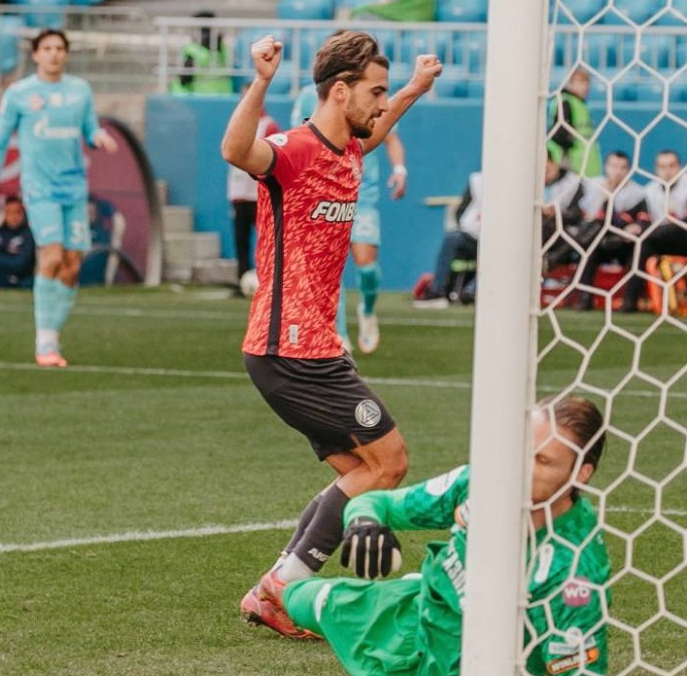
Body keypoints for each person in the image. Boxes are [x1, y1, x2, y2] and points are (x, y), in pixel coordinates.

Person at [220, 30, 441, 638]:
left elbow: (378, 126)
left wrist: (414, 89)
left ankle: (278, 587)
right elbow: (236, 150)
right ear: (341, 92)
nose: (382, 103)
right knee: (388, 462)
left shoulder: (350, 151)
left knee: (363, 470)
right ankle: (282, 588)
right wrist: (261, 79)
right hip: (288, 348)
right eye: (375, 91)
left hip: (311, 347)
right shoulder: (292, 150)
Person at [281, 395, 612, 676]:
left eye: (542, 460)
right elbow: (380, 503)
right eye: (522, 448)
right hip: (414, 618)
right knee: (295, 597)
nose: (520, 466)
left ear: (581, 473)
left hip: (472, 664)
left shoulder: (575, 571)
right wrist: (363, 522)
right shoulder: (481, 482)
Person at [0, 28, 118, 367]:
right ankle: (44, 342)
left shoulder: (79, 90)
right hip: (40, 188)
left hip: (74, 187)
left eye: (59, 48)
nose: (54, 54)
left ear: (66, 54)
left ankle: (52, 336)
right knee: (52, 256)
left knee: (72, 265)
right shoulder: (20, 94)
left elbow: (89, 129)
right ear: (36, 55)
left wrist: (98, 136)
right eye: (47, 48)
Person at [290, 79, 408, 353]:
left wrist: (400, 170)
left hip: (362, 194)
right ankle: (338, 334)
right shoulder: (308, 96)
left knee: (366, 266)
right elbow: (299, 138)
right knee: (331, 268)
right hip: (325, 194)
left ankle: (367, 309)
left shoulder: (368, 95)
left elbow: (390, 137)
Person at [620, 150, 687, 314]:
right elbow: (643, 220)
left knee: (669, 231)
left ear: (680, 167)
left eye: (671, 166)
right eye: (662, 166)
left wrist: (650, 231)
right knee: (641, 246)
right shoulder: (650, 190)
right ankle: (630, 300)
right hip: (659, 240)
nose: (667, 171)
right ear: (656, 169)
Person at [574, 151, 651, 311]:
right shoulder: (591, 186)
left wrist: (633, 227)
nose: (618, 171)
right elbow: (579, 214)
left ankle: (630, 301)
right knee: (591, 245)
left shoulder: (638, 193)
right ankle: (584, 298)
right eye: (614, 166)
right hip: (597, 242)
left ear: (629, 169)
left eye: (623, 167)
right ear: (606, 167)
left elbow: (642, 221)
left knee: (639, 249)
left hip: (623, 243)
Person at [228, 83, 281, 282]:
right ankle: (242, 279)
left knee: (266, 240)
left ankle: (268, 279)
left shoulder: (269, 125)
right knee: (240, 240)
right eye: (243, 96)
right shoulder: (237, 124)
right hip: (239, 194)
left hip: (258, 196)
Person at [412, 172, 482, 309]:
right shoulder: (477, 180)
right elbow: (461, 211)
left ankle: (471, 291)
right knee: (453, 239)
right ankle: (437, 291)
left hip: (497, 243)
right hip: (473, 238)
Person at [547, 68, 602, 177]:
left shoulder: (580, 104)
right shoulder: (565, 101)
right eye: (581, 82)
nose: (585, 87)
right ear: (571, 83)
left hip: (585, 165)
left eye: (587, 83)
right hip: (571, 166)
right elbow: (559, 134)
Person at [542, 146, 588, 271]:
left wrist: (555, 213)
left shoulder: (574, 183)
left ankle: (550, 261)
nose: (544, 174)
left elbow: (576, 213)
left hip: (566, 232)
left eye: (546, 169)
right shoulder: (530, 185)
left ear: (555, 164)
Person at [170, 10, 233, 96]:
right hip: (225, 95)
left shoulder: (192, 50)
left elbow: (184, 79)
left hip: (201, 96)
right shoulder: (224, 47)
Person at [0, 195, 36, 289]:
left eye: (17, 212)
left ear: (23, 214)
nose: (14, 216)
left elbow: (21, 265)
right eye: (10, 212)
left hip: (21, 283)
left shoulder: (29, 234)